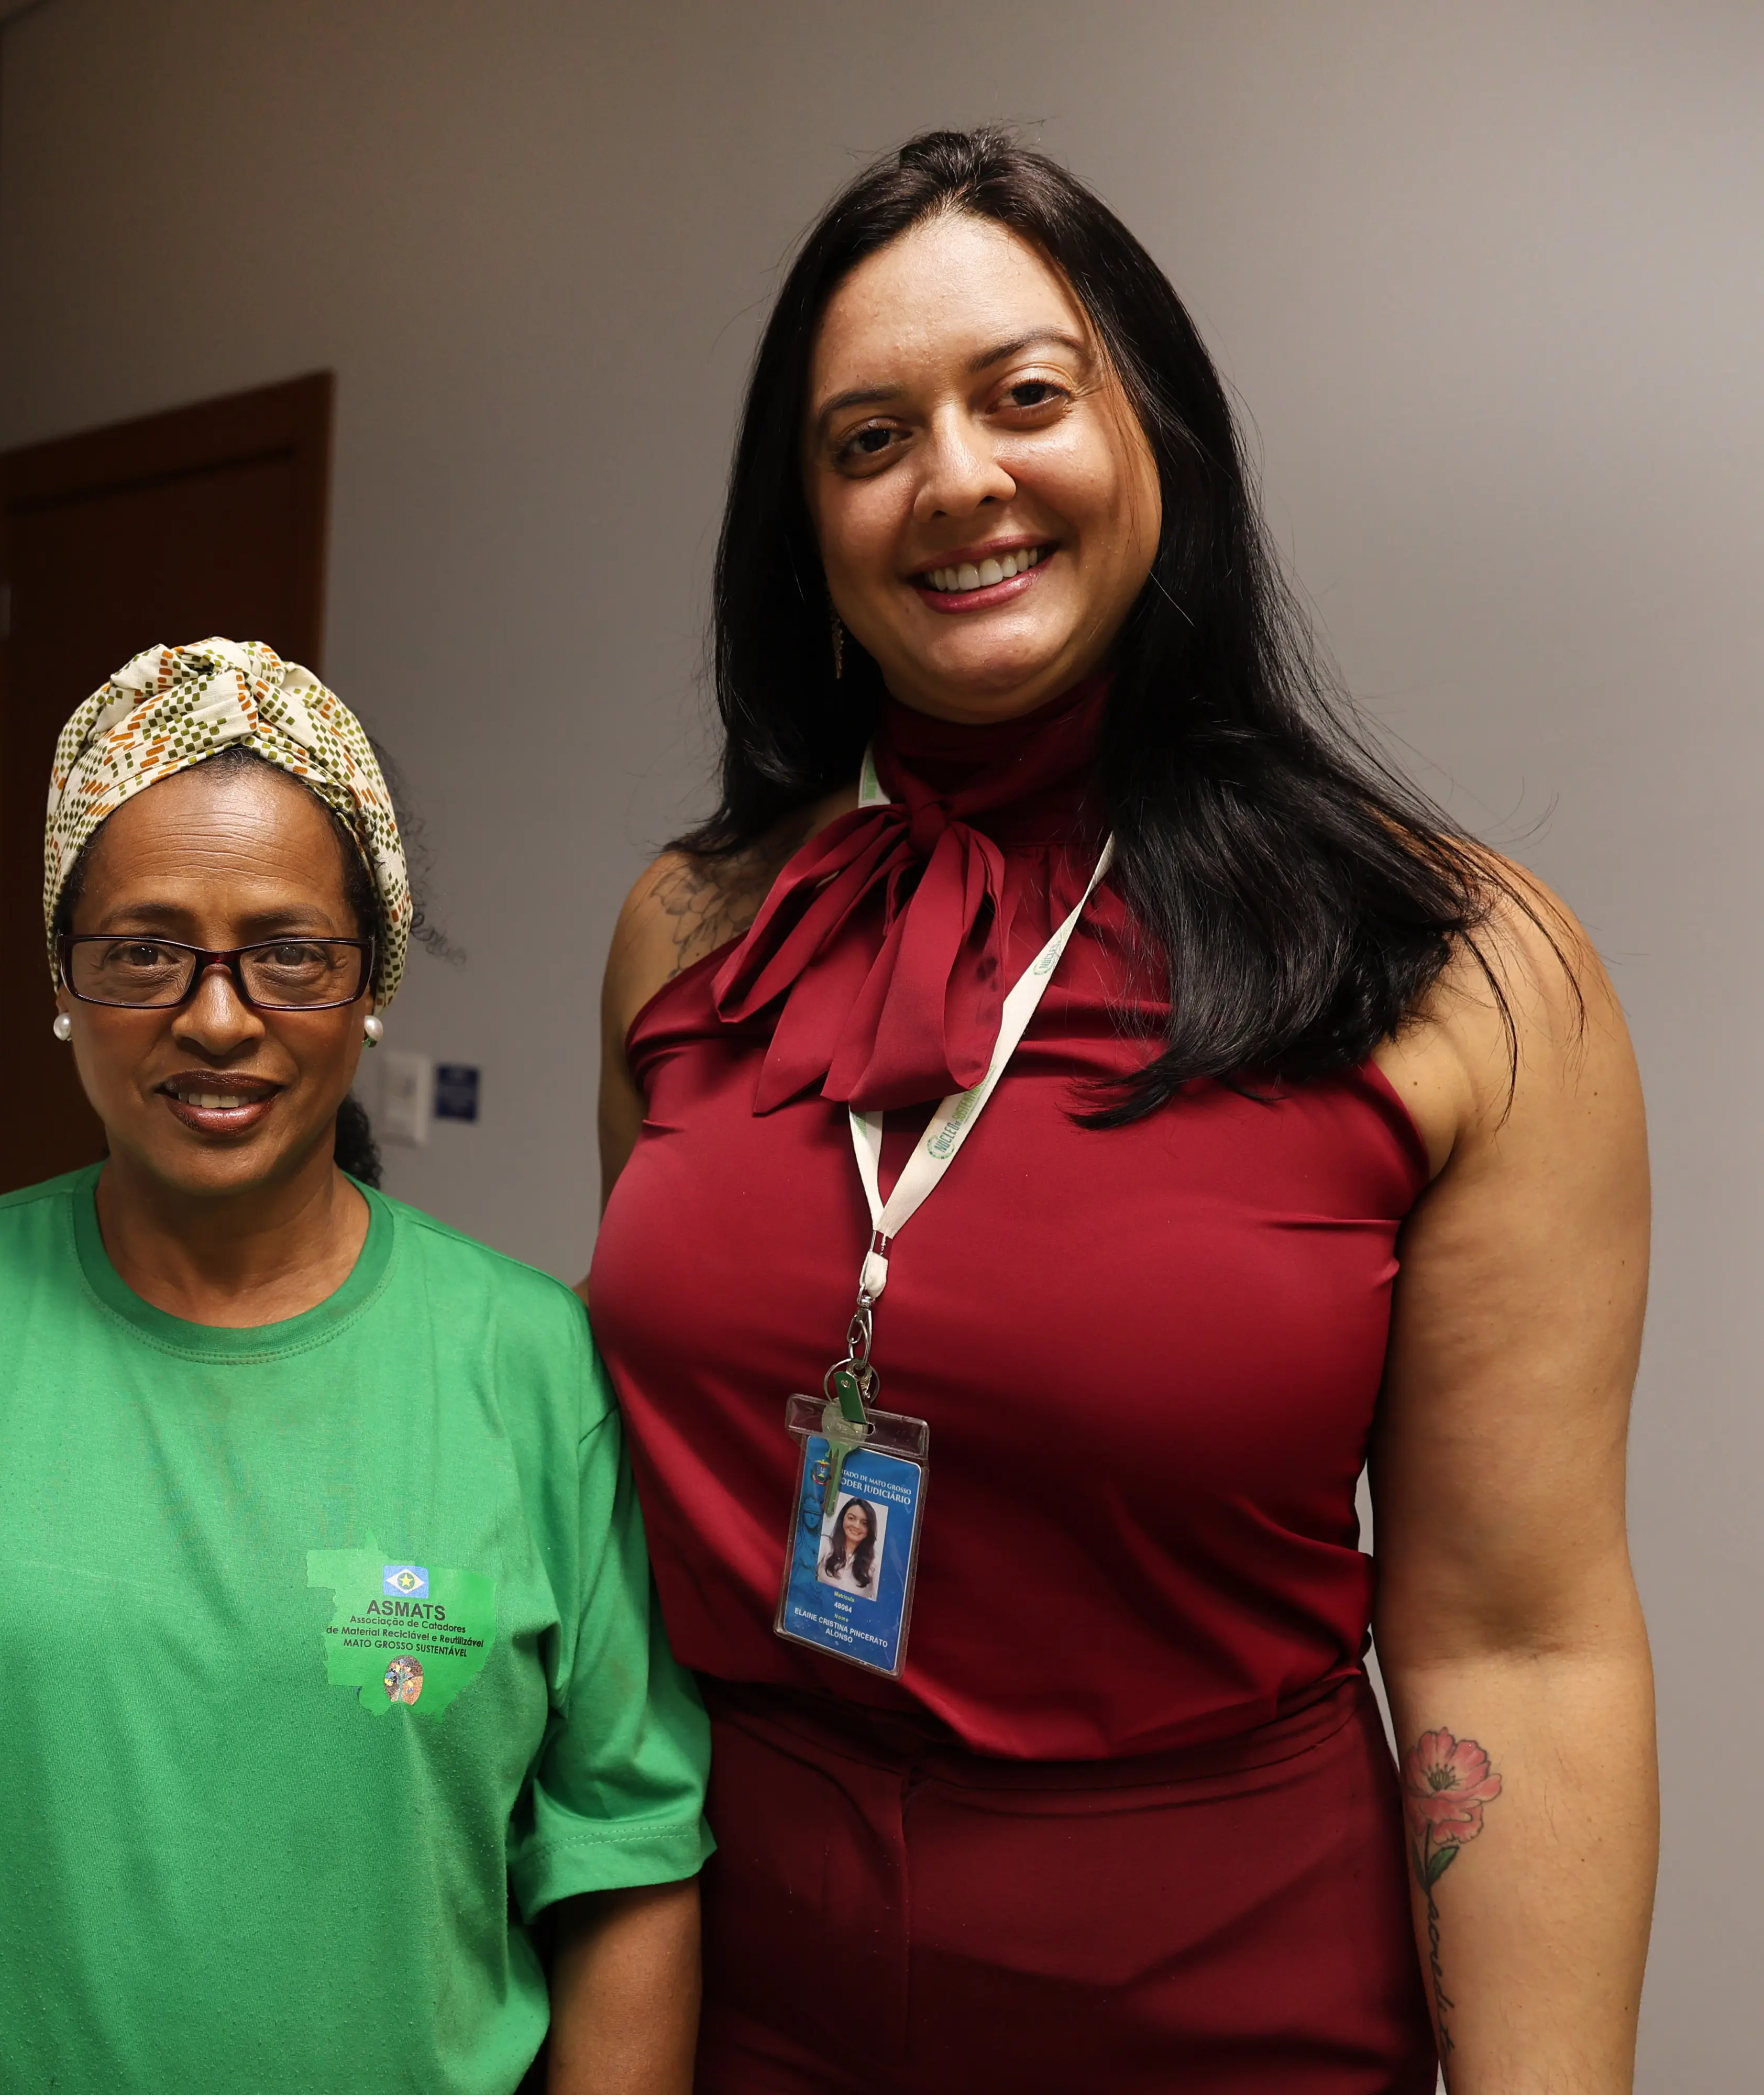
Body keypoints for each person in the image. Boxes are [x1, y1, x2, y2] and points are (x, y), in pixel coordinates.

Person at [591, 131, 1653, 2093]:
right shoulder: (688, 933)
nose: (958, 480)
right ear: (804, 527)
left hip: (1213, 2007)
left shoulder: (1461, 969)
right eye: (865, 437)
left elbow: (1515, 1648)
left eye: (1023, 396)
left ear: (1155, 433)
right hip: (732, 1983)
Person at [0, 640, 712, 2095]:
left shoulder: (528, 1362)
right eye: (144, 952)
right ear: (65, 980)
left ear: (371, 982)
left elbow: (622, 1860)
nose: (220, 1015)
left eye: (292, 952)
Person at [815, 1499, 880, 1600]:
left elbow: (881, 1601)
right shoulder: (825, 1544)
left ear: (870, 1530)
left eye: (864, 1523)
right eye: (851, 1518)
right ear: (843, 1519)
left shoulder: (876, 1562)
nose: (856, 1526)